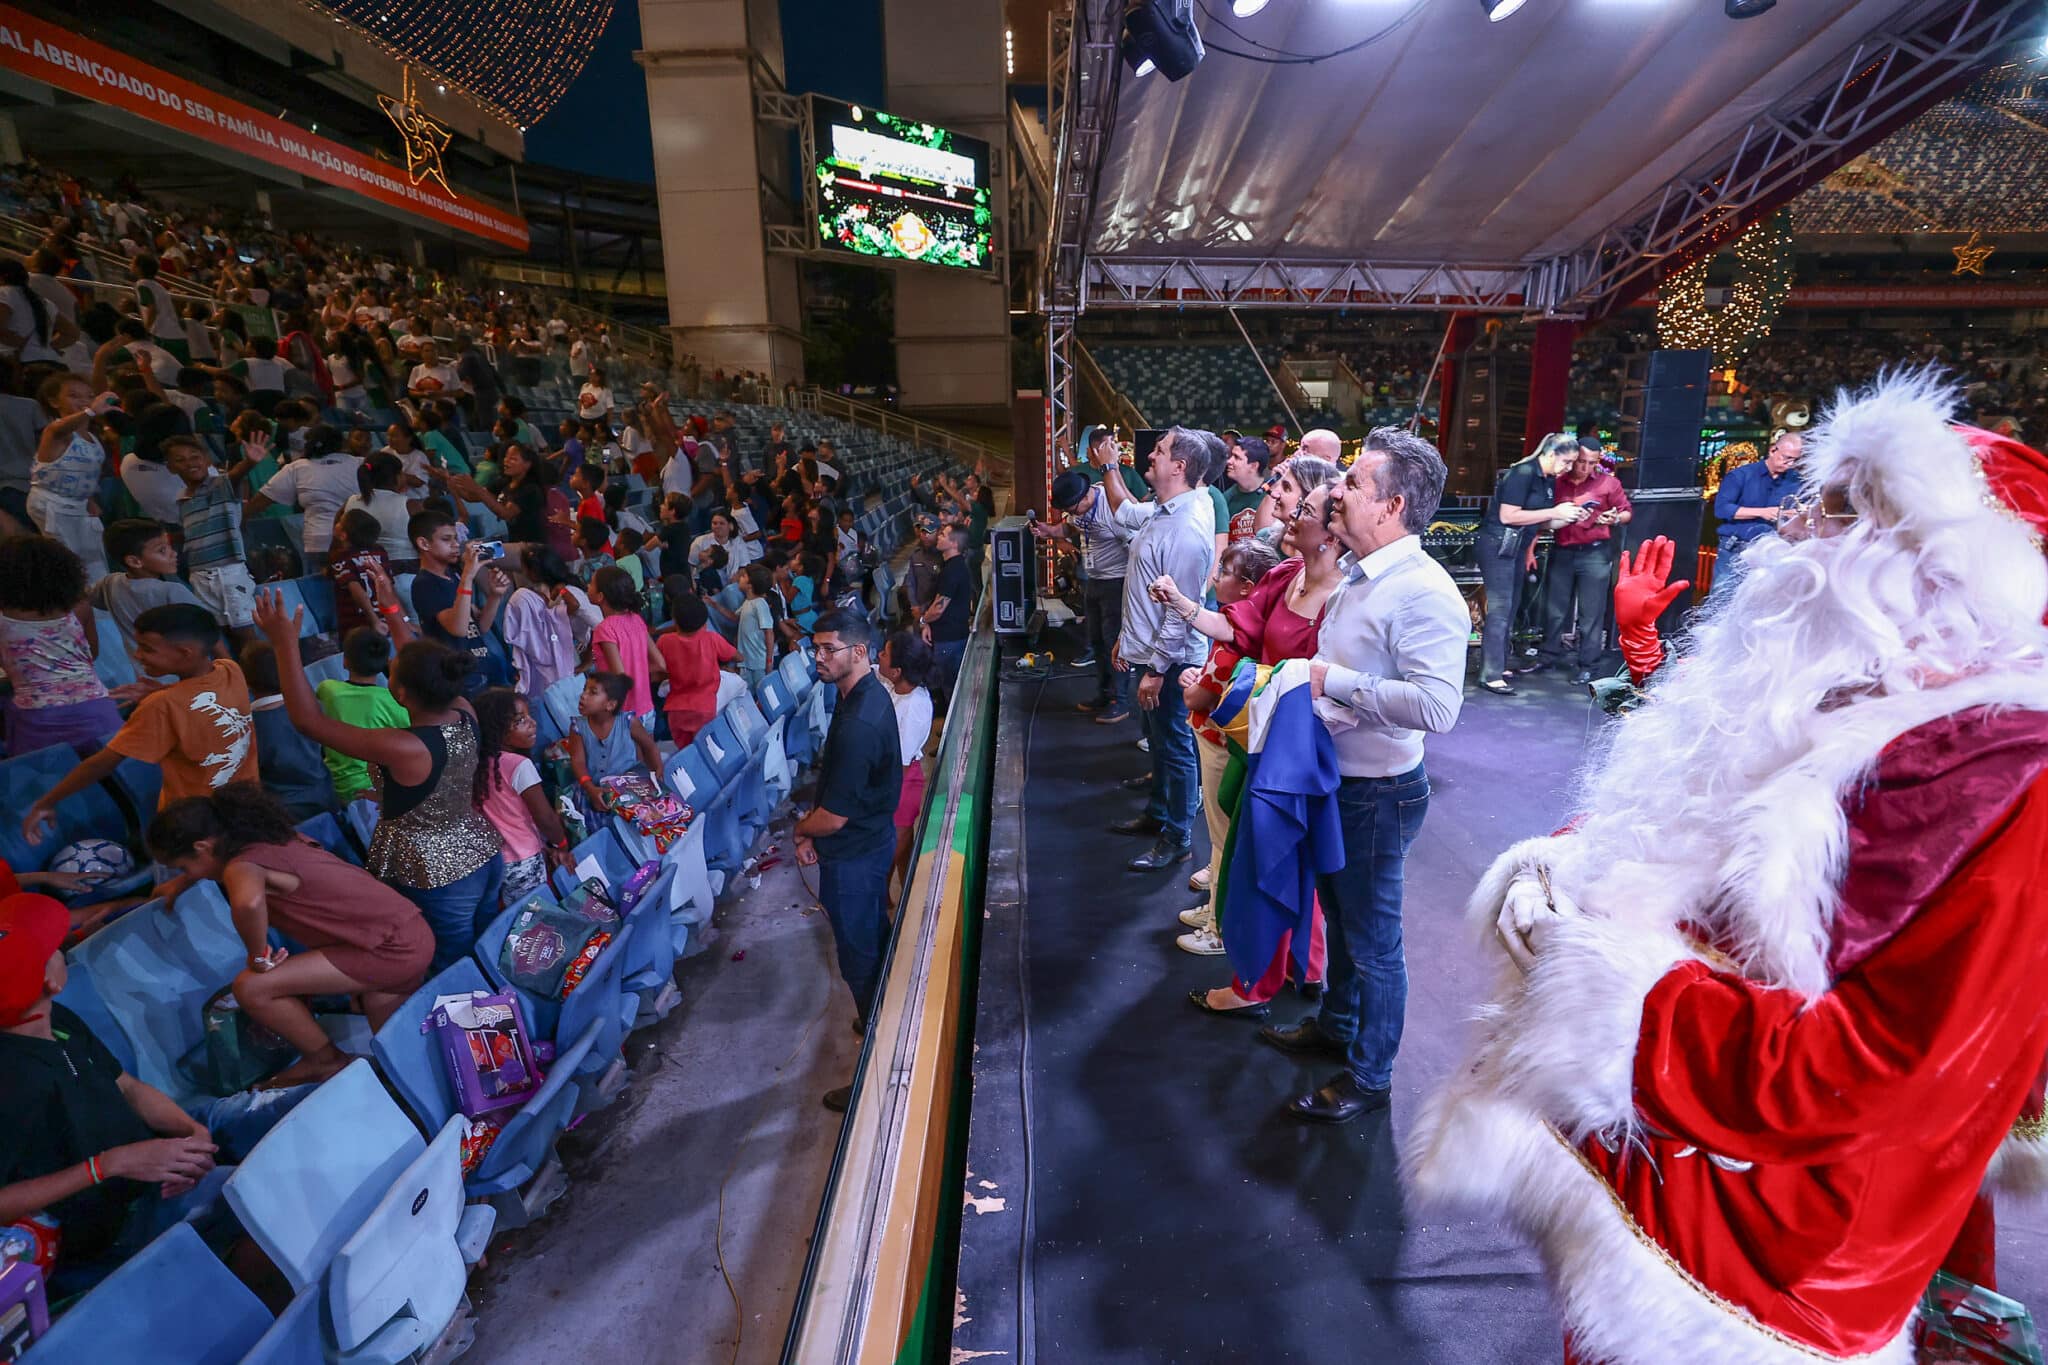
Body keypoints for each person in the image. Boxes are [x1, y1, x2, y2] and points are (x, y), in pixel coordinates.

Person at [1408, 375, 2048, 1365]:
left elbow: (1882, 1072)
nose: (1794, 529)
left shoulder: (1997, 775)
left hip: (1777, 1267)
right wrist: (1568, 870)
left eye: (1838, 508)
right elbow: (1698, 819)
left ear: (1944, 566)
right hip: (1680, 1188)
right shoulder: (1846, 688)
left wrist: (1603, 984)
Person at [1258, 427, 1466, 1123]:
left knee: (1374, 942)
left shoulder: (1423, 591)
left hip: (1378, 793)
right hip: (1340, 780)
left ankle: (1370, 1075)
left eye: (1353, 483)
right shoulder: (1360, 572)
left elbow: (1438, 707)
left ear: (1393, 505)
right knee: (1344, 923)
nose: (1337, 490)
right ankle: (1339, 1026)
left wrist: (1331, 681)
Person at [0, 892, 308, 1298]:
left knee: (304, 1104)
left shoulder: (59, 1019)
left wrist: (190, 1129)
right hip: (120, 1216)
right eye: (55, 950)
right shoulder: (11, 1084)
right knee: (264, 1205)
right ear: (51, 980)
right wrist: (109, 1165)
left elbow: (125, 1085)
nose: (64, 951)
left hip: (157, 1144)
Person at [254, 589, 502, 973]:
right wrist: (390, 605)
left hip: (440, 872)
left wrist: (285, 644)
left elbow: (308, 721)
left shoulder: (405, 747)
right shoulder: (463, 711)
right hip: (482, 850)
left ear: (400, 693)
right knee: (487, 950)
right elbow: (421, 660)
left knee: (452, 968)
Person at [146, 784, 431, 1093]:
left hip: (390, 950)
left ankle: (326, 1060)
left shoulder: (241, 866)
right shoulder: (265, 837)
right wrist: (183, 882)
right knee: (400, 1062)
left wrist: (257, 957)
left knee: (251, 987)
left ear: (202, 847)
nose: (189, 874)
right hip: (410, 932)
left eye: (183, 868)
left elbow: (248, 903)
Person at [25, 604, 258, 842]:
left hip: (194, 827)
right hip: (246, 810)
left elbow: (101, 764)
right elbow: (197, 698)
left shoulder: (160, 706)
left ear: (185, 653)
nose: (137, 655)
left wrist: (46, 802)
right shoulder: (230, 670)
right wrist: (168, 690)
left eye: (147, 649)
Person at [794, 609, 903, 1112]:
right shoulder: (862, 694)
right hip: (871, 840)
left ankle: (875, 1070)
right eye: (815, 648)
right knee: (873, 943)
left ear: (858, 652)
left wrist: (800, 828)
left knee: (859, 958)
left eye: (828, 649)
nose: (818, 657)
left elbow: (833, 819)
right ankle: (876, 1010)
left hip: (855, 856)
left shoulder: (859, 721)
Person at [1103, 427, 1222, 873]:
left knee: (1174, 747)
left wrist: (1154, 668)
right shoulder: (1164, 510)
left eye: (1160, 450)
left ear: (1181, 467)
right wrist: (1129, 639)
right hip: (1151, 652)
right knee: (1159, 741)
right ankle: (1159, 814)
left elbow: (1179, 614)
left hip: (1170, 662)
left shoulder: (1188, 527)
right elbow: (1122, 518)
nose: (1150, 455)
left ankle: (1177, 837)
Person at [1475, 432, 1585, 696]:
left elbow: (1540, 522)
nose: (1568, 468)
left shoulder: (1546, 480)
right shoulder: (1522, 473)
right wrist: (1554, 512)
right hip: (1497, 544)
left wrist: (1569, 517)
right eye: (1566, 461)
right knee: (1500, 609)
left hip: (1516, 546)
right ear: (1550, 454)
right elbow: (1508, 515)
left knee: (1510, 609)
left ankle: (1497, 665)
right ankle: (1489, 674)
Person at [0, 534, 123, 756]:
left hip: (35, 718)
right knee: (120, 781)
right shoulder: (80, 608)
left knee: (51, 785)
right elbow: (91, 654)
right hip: (95, 708)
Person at [1525, 438, 1633, 684]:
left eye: (1592, 463)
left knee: (1591, 613)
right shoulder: (1557, 480)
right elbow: (1541, 521)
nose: (1585, 468)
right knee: (1554, 608)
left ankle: (1588, 664)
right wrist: (1529, 549)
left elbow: (1626, 512)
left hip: (1595, 551)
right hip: (1562, 550)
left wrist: (1613, 518)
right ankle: (1548, 655)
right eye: (1582, 462)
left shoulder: (1608, 482)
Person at [1037, 469, 1132, 723]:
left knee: (1114, 643)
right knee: (1097, 641)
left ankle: (1120, 700)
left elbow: (1134, 542)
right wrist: (1050, 530)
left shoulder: (1111, 509)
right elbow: (1069, 527)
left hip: (1116, 581)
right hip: (1096, 580)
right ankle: (1105, 693)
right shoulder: (1079, 511)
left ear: (1084, 497)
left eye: (1072, 507)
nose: (1071, 512)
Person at [473, 689, 571, 907]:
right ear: (497, 729)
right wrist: (562, 843)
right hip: (523, 858)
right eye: (520, 720)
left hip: (493, 859)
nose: (532, 723)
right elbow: (545, 817)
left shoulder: (478, 764)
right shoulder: (519, 766)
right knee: (532, 913)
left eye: (529, 716)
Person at [409, 510, 513, 694]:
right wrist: (467, 576)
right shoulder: (424, 583)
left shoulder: (452, 575)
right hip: (461, 678)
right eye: (447, 539)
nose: (456, 545)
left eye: (456, 538)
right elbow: (458, 628)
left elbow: (480, 626)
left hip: (485, 666)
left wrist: (495, 596)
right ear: (424, 543)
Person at [165, 436, 258, 641]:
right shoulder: (182, 499)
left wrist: (249, 462)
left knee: (246, 634)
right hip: (199, 576)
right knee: (221, 636)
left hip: (227, 573)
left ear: (207, 460)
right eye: (180, 460)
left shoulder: (220, 485)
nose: (190, 463)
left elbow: (235, 476)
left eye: (195, 457)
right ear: (170, 467)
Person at [28, 372, 114, 582]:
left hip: (79, 503)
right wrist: (91, 411)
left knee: (94, 562)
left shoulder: (93, 437)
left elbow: (86, 473)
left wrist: (90, 499)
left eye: (88, 396)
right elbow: (60, 427)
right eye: (74, 396)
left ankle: (98, 609)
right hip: (53, 502)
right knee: (70, 564)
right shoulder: (55, 431)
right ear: (54, 401)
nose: (83, 401)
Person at [240, 641, 336, 821]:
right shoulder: (313, 707)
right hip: (326, 796)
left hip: (286, 811)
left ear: (246, 682)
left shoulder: (248, 728)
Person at [316, 627, 411, 803]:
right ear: (385, 663)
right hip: (378, 791)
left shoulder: (327, 689)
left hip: (338, 789)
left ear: (344, 662)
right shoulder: (394, 702)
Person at [246, 422, 363, 564]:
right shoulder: (361, 464)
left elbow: (259, 502)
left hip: (319, 541)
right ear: (342, 444)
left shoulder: (297, 467)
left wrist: (236, 520)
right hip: (356, 540)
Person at [1710, 426, 1803, 596]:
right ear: (1773, 450)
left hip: (1774, 549)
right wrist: (1762, 512)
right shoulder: (1741, 475)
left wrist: (1795, 515)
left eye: (1794, 461)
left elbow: (1801, 510)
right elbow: (1722, 509)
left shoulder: (1796, 482)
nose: (1789, 464)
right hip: (1737, 547)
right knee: (1722, 600)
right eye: (1786, 458)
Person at [88, 519, 202, 656]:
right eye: (162, 550)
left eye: (170, 546)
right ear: (135, 561)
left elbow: (85, 597)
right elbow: (207, 629)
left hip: (140, 669)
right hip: (178, 668)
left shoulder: (109, 583)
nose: (174, 553)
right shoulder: (172, 591)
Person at [878, 628, 934, 893]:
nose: (879, 656)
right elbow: (873, 669)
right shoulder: (896, 686)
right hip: (895, 777)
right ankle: (898, 890)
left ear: (898, 670)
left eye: (885, 654)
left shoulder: (914, 708)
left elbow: (898, 764)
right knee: (901, 841)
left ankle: (884, 893)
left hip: (900, 783)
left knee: (893, 847)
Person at [562, 672, 661, 798]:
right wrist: (589, 787)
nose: (583, 695)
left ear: (610, 705)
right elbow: (578, 762)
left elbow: (650, 747)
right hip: (594, 787)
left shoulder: (628, 722)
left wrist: (657, 769)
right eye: (584, 689)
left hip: (630, 785)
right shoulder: (577, 727)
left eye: (592, 692)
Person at [657, 592, 737, 748]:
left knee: (685, 754)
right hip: (705, 708)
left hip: (676, 710)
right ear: (704, 621)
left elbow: (658, 668)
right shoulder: (711, 638)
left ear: (675, 621)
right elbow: (738, 656)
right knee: (706, 753)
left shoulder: (664, 641)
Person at [589, 568, 661, 726]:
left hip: (624, 713)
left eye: (592, 584)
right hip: (647, 708)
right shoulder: (636, 619)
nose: (588, 586)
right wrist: (638, 670)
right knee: (648, 749)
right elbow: (660, 663)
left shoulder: (605, 629)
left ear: (601, 596)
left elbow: (619, 677)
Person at [919, 526, 975, 703]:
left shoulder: (953, 570)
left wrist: (922, 620)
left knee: (951, 691)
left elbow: (938, 608)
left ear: (954, 543)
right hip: (950, 638)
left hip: (949, 641)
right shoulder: (953, 566)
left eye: (942, 534)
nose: (938, 536)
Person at [340, 452, 418, 570]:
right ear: (396, 477)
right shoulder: (409, 505)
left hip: (362, 569)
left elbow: (338, 537)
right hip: (405, 569)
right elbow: (428, 541)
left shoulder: (351, 501)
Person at [327, 509, 392, 638]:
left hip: (357, 622)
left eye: (340, 521)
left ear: (343, 535)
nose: (336, 523)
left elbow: (355, 588)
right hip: (385, 617)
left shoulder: (341, 556)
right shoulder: (379, 552)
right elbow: (389, 587)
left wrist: (374, 620)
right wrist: (401, 619)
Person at [1219, 435, 1273, 542]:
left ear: (1253, 466)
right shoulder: (1225, 499)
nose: (1229, 461)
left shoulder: (1273, 496)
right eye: (1231, 456)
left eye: (1237, 457)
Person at [736, 562, 778, 692]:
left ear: (750, 585)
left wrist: (769, 661)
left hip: (759, 661)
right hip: (746, 660)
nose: (740, 578)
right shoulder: (748, 602)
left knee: (762, 694)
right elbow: (734, 617)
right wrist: (715, 605)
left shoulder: (760, 604)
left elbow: (769, 632)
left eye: (743, 577)